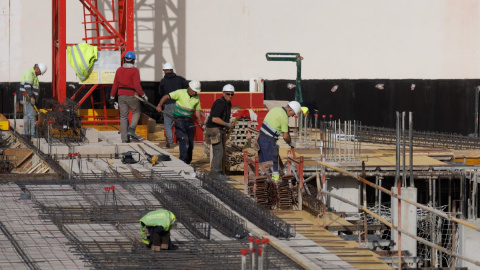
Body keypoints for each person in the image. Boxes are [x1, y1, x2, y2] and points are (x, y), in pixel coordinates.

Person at [156, 80, 204, 164]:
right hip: (179, 120)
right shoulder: (180, 93)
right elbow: (166, 96)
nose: (195, 92)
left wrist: (199, 120)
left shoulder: (197, 97)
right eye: (194, 90)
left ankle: (188, 162)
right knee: (184, 141)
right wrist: (159, 105)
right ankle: (182, 161)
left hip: (189, 122)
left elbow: (197, 110)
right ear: (189, 87)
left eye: (196, 91)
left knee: (190, 144)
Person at [109, 51, 148, 143]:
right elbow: (137, 86)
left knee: (123, 117)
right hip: (131, 95)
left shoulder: (119, 70)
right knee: (137, 111)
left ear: (125, 60)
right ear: (133, 60)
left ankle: (124, 138)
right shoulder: (135, 71)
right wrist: (143, 95)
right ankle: (131, 129)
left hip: (121, 96)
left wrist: (111, 97)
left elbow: (115, 85)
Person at [258, 101, 301, 181]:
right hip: (269, 142)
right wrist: (290, 142)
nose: (291, 116)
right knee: (272, 166)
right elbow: (285, 136)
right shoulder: (284, 117)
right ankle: (275, 184)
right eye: (293, 114)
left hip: (261, 138)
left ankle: (263, 183)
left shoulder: (275, 109)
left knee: (263, 163)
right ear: (290, 110)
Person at [205, 84, 234, 178]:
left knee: (221, 151)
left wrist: (225, 126)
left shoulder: (228, 104)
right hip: (213, 130)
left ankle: (218, 171)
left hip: (219, 129)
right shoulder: (220, 103)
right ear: (223, 93)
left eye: (232, 94)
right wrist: (226, 124)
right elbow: (214, 119)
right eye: (228, 94)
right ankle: (214, 173)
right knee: (219, 151)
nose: (230, 96)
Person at [158, 62, 189, 148]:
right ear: (172, 70)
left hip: (168, 104)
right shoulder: (180, 79)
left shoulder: (163, 81)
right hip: (179, 105)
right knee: (180, 122)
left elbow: (160, 93)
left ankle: (170, 142)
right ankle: (183, 141)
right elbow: (188, 88)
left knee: (168, 124)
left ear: (165, 71)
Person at [17, 63, 47, 137]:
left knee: (28, 115)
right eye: (40, 73)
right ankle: (31, 134)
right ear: (37, 69)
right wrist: (32, 97)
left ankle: (26, 133)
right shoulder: (30, 73)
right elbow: (27, 86)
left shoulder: (32, 74)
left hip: (28, 98)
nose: (40, 74)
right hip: (28, 98)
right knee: (31, 116)